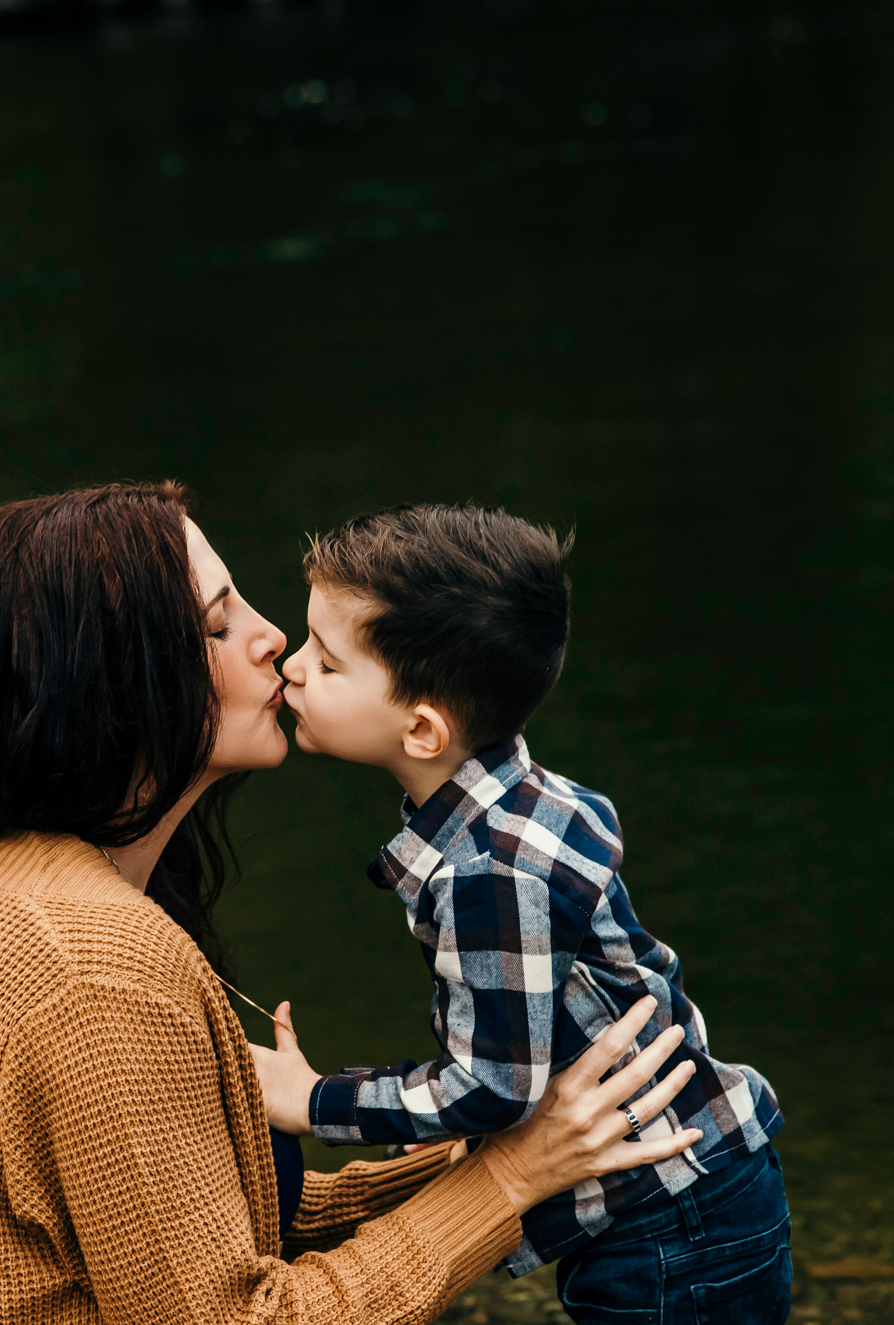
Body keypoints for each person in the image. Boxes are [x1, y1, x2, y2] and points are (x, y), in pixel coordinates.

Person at [0, 481, 703, 1325]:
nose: (273, 640)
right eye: (219, 624)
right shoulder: (93, 970)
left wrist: (510, 1140)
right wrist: (511, 1175)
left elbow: (211, 1232)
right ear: (114, 687)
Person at [258, 504, 791, 1323]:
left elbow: (493, 1088)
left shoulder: (487, 873)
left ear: (424, 728)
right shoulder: (528, 800)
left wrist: (317, 1101)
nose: (293, 670)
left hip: (666, 1227)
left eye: (326, 665)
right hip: (705, 1188)